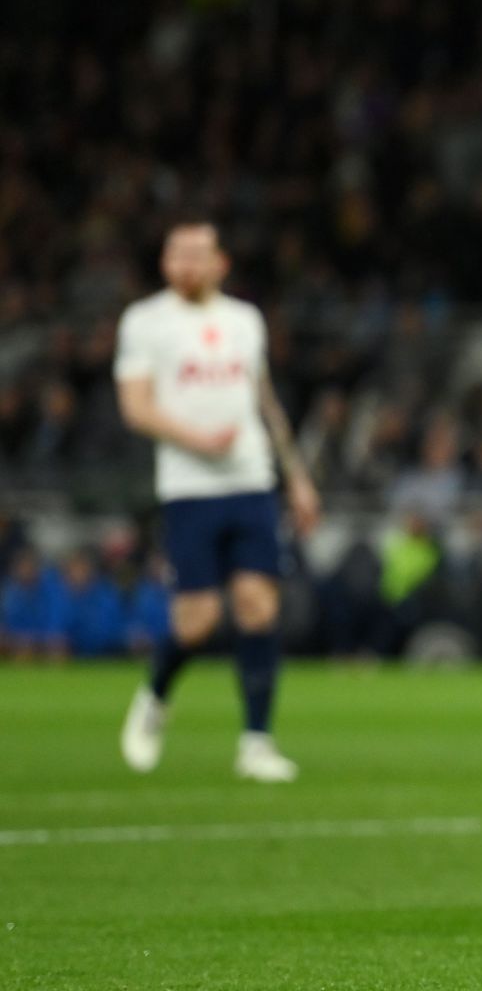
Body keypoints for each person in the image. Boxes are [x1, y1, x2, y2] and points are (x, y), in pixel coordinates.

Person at [115, 217, 321, 782]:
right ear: (164, 263)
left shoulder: (244, 320)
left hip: (251, 480)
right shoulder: (145, 322)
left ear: (219, 263)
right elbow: (135, 406)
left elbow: (265, 401)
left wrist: (296, 475)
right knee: (198, 622)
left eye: (196, 254)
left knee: (259, 605)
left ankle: (256, 742)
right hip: (189, 487)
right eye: (176, 254)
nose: (185, 263)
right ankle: (155, 697)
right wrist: (197, 440)